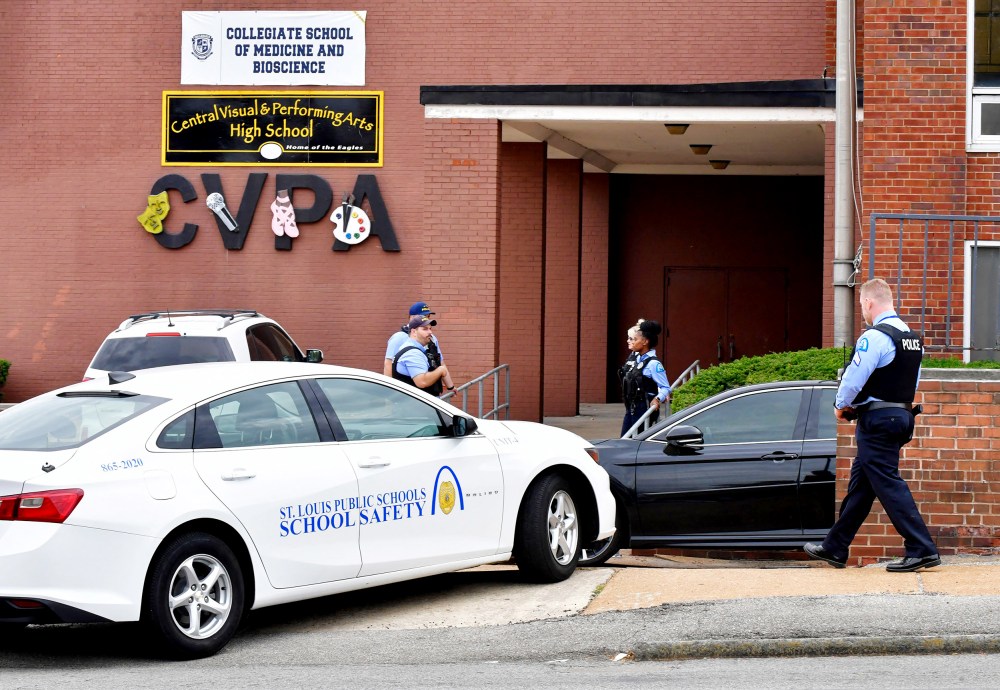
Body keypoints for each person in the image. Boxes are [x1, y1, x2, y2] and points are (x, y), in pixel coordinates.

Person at [804, 278, 940, 573]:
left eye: (862, 306)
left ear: (868, 302)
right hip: (901, 416)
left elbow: (854, 378)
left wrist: (840, 406)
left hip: (877, 420)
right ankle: (835, 546)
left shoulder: (875, 337)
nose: (863, 313)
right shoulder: (911, 337)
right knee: (862, 486)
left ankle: (922, 548)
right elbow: (911, 382)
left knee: (888, 483)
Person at [384, 301, 455, 393]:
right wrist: (388, 393)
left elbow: (440, 363)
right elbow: (388, 365)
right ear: (412, 317)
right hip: (411, 395)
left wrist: (450, 387)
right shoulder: (399, 337)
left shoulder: (432, 338)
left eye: (428, 316)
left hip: (430, 393)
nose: (426, 319)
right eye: (423, 316)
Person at [620, 319, 671, 437]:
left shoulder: (653, 364)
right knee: (625, 440)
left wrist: (657, 399)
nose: (631, 341)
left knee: (637, 442)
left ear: (645, 342)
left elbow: (665, 387)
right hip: (630, 409)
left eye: (635, 339)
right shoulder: (635, 359)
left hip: (643, 410)